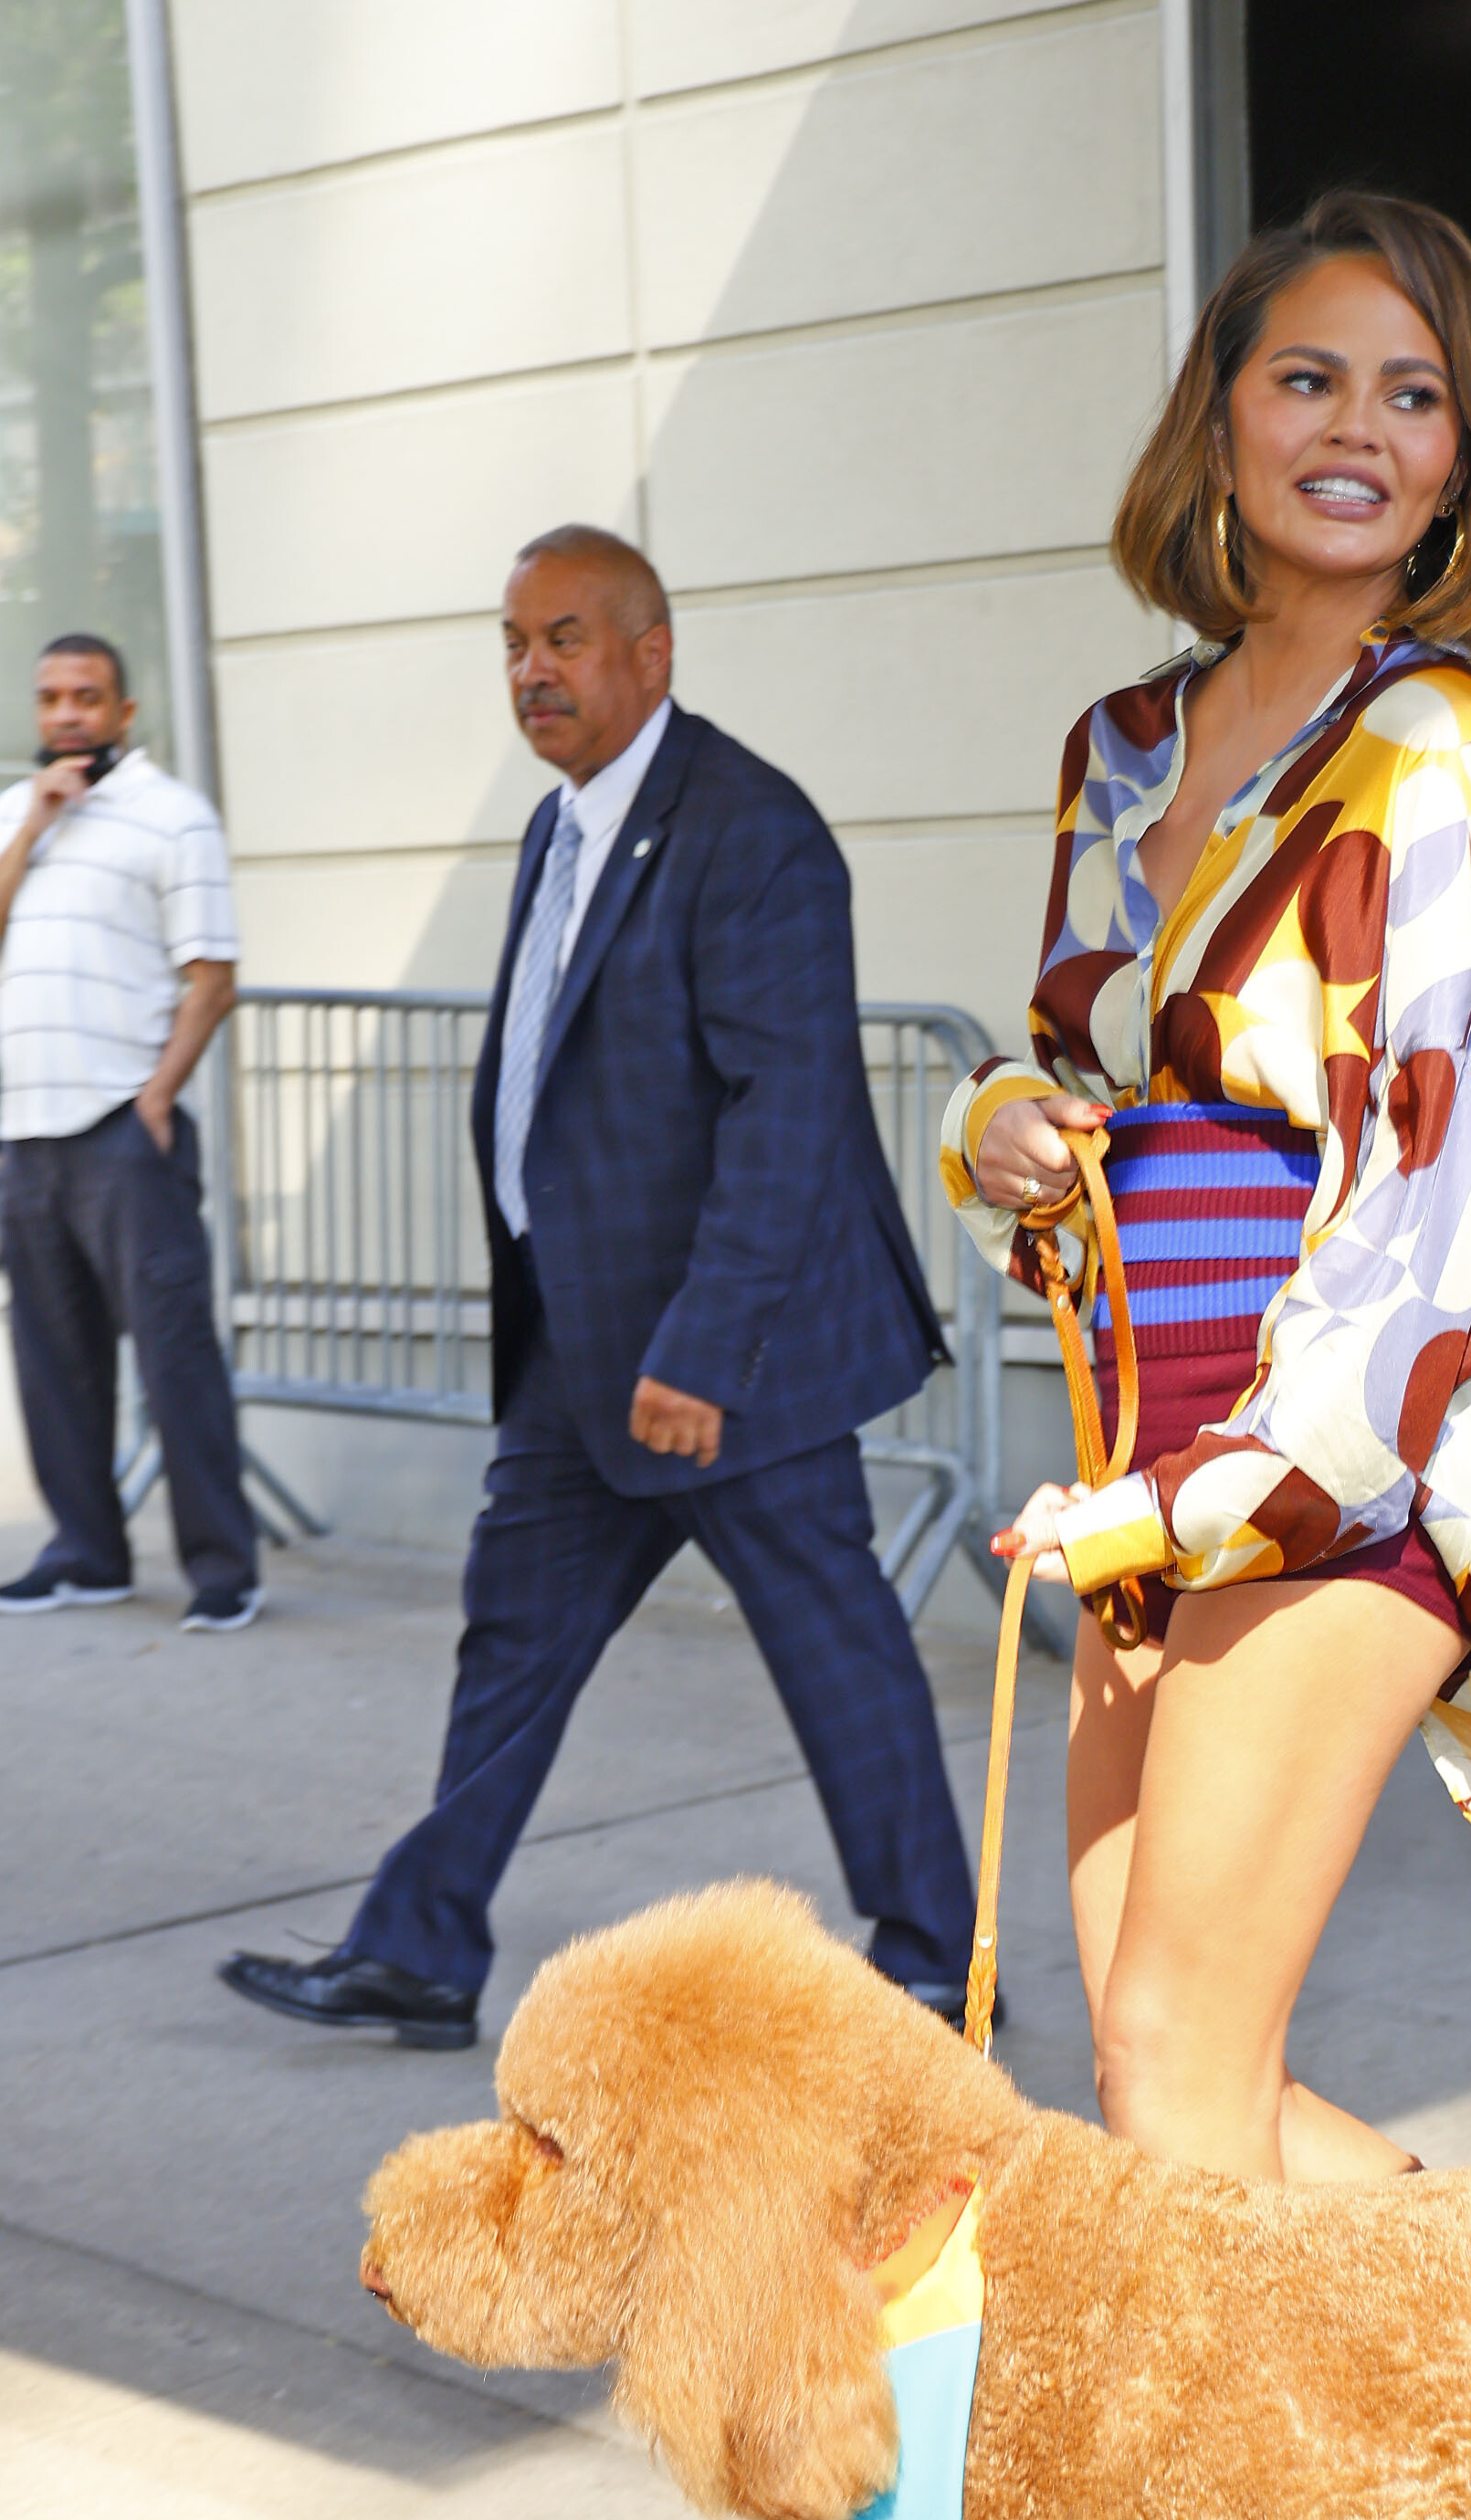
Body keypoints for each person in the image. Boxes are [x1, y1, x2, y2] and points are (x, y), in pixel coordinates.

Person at [943, 192, 1471, 2520]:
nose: (1356, 430)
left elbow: (1447, 1220)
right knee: (1154, 2077)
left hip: (1348, 1473)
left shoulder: (1446, 761)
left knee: (1175, 2066)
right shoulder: (1122, 745)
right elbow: (1073, 1077)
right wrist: (1007, 1134)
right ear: (1221, 416)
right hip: (1148, 1446)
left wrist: (1190, 1500)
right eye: (1309, 379)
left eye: (1412, 394)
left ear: (1464, 459)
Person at [220, 524, 975, 2053]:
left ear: (651, 651)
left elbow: (787, 1113)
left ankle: (939, 1964)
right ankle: (419, 1949)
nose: (531, 670)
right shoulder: (558, 827)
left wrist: (702, 1346)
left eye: (562, 638)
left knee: (832, 1645)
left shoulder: (751, 830)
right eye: (512, 644)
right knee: (514, 1636)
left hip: (729, 1353)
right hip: (582, 1339)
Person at [0, 632, 259, 1630]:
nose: (67, 715)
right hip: (28, 1135)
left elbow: (212, 980)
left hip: (123, 1128)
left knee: (175, 1360)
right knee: (55, 1366)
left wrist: (157, 1098)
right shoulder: (14, 812)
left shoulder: (175, 816)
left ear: (124, 713)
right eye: (51, 699)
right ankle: (87, 1555)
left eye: (87, 697)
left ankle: (224, 1571)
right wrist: (35, 825)